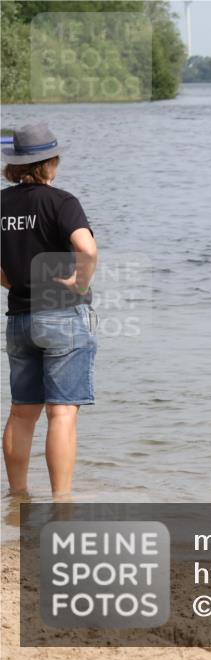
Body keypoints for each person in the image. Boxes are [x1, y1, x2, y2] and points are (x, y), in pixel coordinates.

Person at [1, 122, 98, 500]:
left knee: (22, 413)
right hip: (61, 314)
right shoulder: (61, 202)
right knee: (62, 413)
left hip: (19, 319)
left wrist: (7, 279)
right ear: (50, 162)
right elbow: (86, 250)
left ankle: (18, 497)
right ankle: (61, 502)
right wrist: (81, 283)